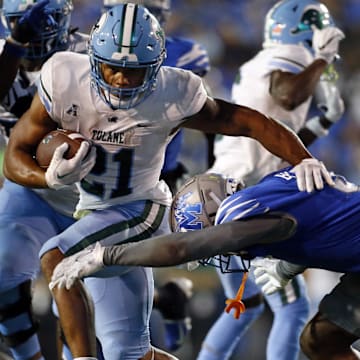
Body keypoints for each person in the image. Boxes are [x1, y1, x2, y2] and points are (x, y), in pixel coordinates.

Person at [3, 3, 334, 360]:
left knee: (56, 256)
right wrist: (49, 178)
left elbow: (253, 123)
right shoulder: (65, 75)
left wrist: (305, 161)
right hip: (93, 212)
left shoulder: (174, 91)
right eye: (113, 68)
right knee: (129, 353)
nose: (121, 80)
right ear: (93, 57)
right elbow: (15, 154)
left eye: (134, 72)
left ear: (158, 65)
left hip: (140, 209)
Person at [51, 171, 360, 360]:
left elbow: (179, 248)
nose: (216, 252)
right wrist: (292, 261)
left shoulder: (241, 215)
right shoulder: (270, 191)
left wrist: (104, 255)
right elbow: (323, 219)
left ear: (214, 221)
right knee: (321, 340)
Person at [202, 0, 345, 359]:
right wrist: (323, 58)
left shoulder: (256, 63)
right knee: (293, 309)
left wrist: (321, 123)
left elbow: (281, 143)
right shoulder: (293, 54)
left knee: (243, 307)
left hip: (222, 194)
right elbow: (287, 93)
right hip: (252, 200)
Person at [102, 0, 210, 352]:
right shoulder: (93, 51)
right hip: (109, 175)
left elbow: (210, 116)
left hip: (151, 178)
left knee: (105, 280)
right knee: (106, 282)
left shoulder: (184, 56)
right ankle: (169, 299)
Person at [0, 1, 91, 359]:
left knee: (79, 295)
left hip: (92, 196)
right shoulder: (6, 53)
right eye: (19, 25)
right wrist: (16, 45)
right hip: (32, 189)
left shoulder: (88, 54)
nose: (33, 33)